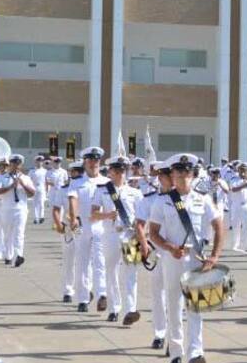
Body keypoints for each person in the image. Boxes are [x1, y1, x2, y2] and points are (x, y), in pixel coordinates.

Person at [148, 152, 224, 363]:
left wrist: (215, 256)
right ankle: (175, 352)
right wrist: (170, 247)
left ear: (193, 175)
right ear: (172, 175)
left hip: (197, 258)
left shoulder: (204, 199)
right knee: (174, 304)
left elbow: (219, 227)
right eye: (179, 172)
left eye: (187, 173)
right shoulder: (162, 201)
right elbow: (153, 233)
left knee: (195, 306)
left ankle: (195, 354)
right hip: (173, 258)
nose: (183, 177)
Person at [92, 155, 144, 325]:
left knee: (131, 273)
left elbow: (143, 218)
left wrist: (141, 236)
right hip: (111, 234)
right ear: (110, 172)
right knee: (111, 271)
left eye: (123, 170)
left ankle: (130, 310)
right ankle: (114, 308)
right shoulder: (102, 190)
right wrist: (108, 214)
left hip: (130, 235)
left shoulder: (135, 192)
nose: (121, 173)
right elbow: (93, 215)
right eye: (117, 170)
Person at [67, 146, 109, 313]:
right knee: (83, 263)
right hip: (82, 227)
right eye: (90, 161)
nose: (93, 164)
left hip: (101, 228)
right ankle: (83, 299)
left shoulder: (106, 182)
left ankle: (102, 295)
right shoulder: (77, 182)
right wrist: (74, 217)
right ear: (85, 162)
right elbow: (73, 200)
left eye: (96, 161)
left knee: (100, 261)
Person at [137, 160, 171, 349]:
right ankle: (159, 333)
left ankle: (174, 337)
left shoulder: (183, 198)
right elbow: (140, 224)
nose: (170, 179)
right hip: (158, 251)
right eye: (166, 175)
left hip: (177, 253)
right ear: (160, 177)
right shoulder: (149, 199)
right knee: (158, 294)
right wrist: (143, 244)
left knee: (176, 297)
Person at [0, 153, 35, 266]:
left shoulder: (26, 178)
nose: (16, 166)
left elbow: (32, 193)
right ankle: (8, 255)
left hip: (21, 209)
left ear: (21, 165)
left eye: (18, 164)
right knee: (8, 234)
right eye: (13, 163)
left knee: (19, 233)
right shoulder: (3, 177)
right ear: (10, 165)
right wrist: (10, 187)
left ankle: (19, 256)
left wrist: (23, 184)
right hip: (6, 209)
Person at [52, 161, 81, 304]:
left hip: (85, 228)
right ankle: (68, 291)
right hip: (69, 229)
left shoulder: (89, 187)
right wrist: (58, 224)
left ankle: (85, 290)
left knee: (87, 261)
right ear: (70, 173)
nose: (78, 174)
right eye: (75, 171)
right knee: (69, 261)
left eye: (80, 171)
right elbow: (56, 208)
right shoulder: (63, 190)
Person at [31, 155, 49, 224]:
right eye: (38, 161)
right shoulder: (32, 171)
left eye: (41, 162)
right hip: (34, 187)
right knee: (35, 204)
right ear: (35, 162)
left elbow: (46, 181)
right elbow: (29, 180)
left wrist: (47, 190)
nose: (39, 163)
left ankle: (41, 217)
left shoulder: (45, 171)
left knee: (41, 203)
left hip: (42, 188)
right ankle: (36, 218)